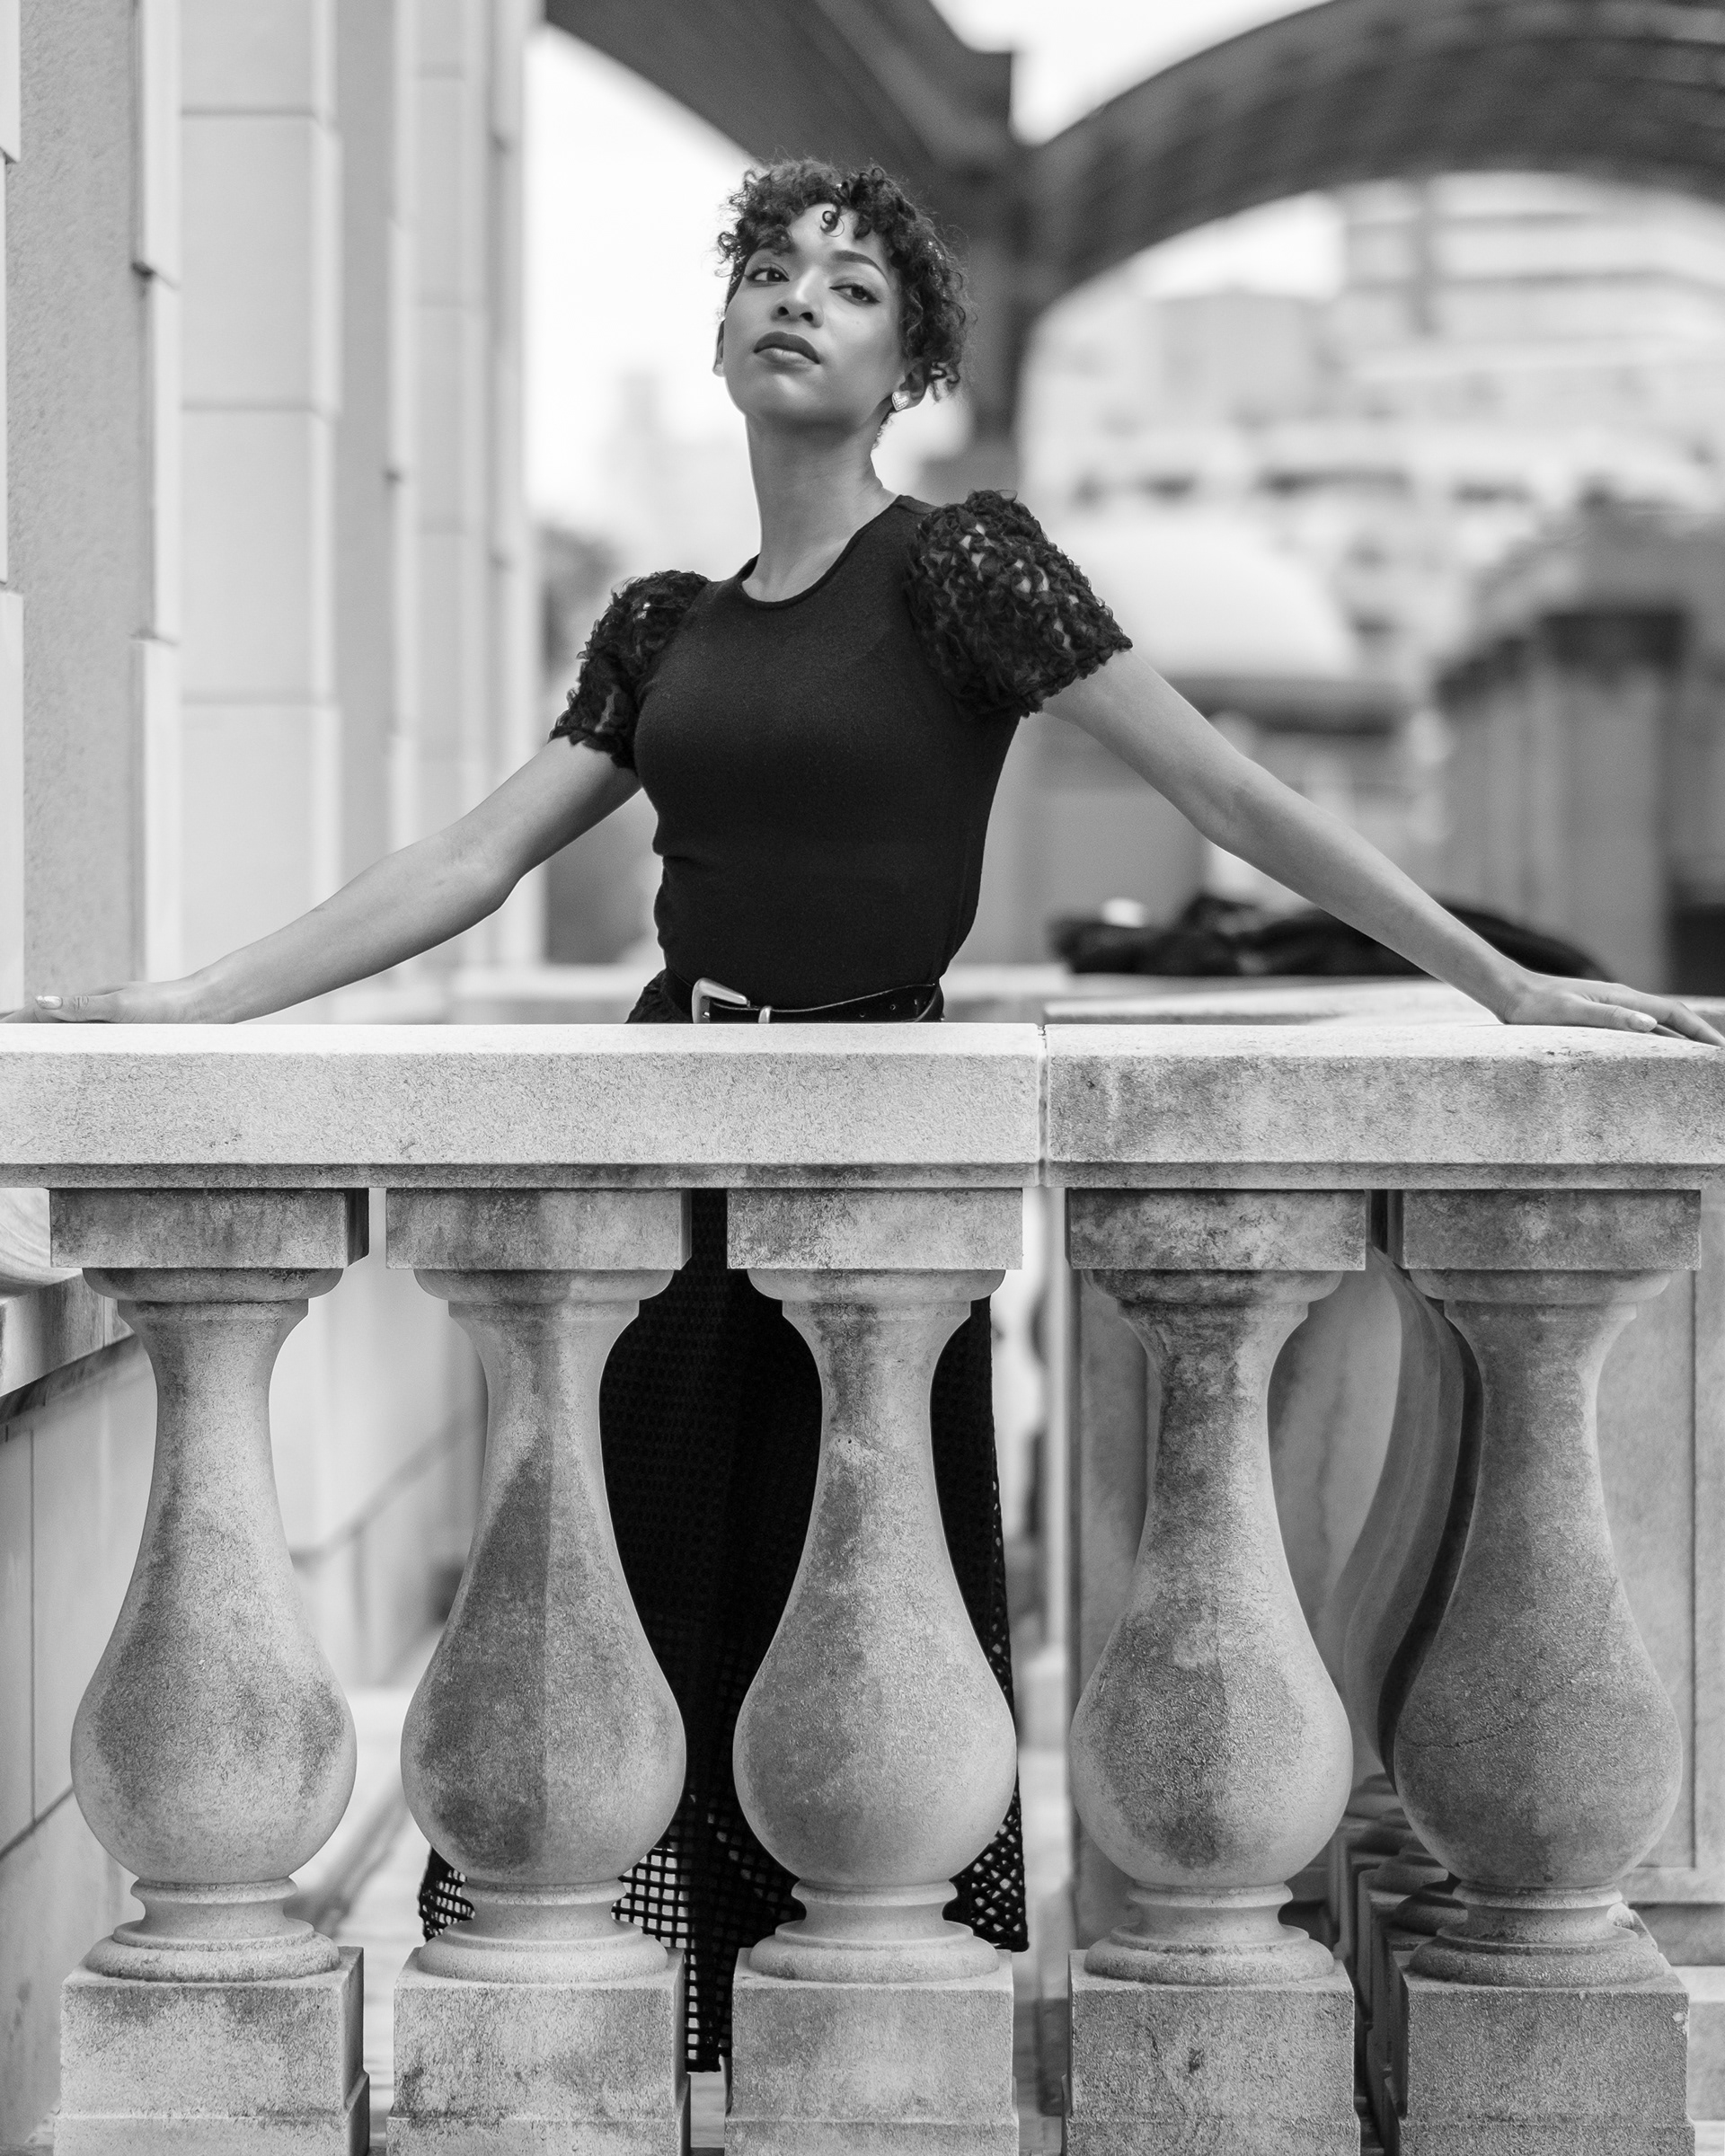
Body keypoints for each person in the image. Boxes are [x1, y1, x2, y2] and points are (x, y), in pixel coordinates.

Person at [13, 160, 1721, 2069]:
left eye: (847, 284)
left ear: (908, 362)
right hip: (668, 1148)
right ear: (722, 332)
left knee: (850, 1588)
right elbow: (468, 862)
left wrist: (1499, 982)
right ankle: (648, 2043)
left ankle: (831, 2039)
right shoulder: (663, 624)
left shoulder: (967, 572)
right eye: (767, 268)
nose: (794, 298)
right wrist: (194, 1003)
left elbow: (1228, 797)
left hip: (870, 1158)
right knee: (639, 1591)